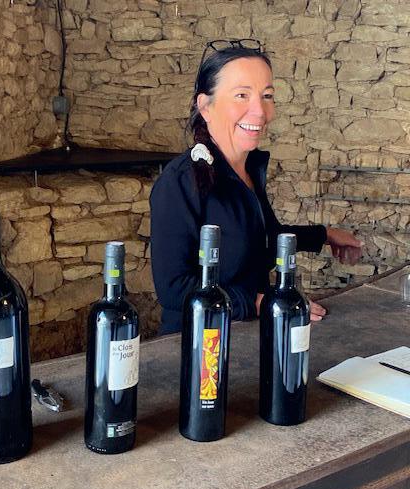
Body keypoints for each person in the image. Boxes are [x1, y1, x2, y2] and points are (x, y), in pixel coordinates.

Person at [150, 40, 363, 335]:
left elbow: (261, 239)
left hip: (248, 334)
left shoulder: (247, 169)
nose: (260, 111)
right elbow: (174, 289)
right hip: (199, 343)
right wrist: (259, 303)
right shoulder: (179, 182)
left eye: (267, 96)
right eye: (241, 95)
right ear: (205, 106)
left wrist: (325, 235)